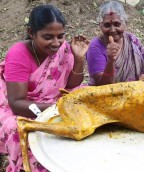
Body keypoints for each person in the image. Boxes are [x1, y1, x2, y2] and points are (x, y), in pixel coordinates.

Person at [0, 4, 89, 171]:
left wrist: (78, 58)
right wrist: (55, 109)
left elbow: (71, 85)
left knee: (87, 98)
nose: (56, 43)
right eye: (48, 37)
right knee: (16, 128)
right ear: (31, 33)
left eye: (61, 36)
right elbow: (17, 103)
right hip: (24, 105)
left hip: (53, 101)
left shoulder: (63, 48)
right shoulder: (18, 54)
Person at [86, 0, 144, 86]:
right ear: (100, 25)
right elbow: (103, 85)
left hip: (136, 92)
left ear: (125, 24)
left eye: (117, 24)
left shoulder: (132, 39)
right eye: (107, 25)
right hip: (104, 97)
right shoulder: (95, 46)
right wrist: (110, 61)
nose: (112, 30)